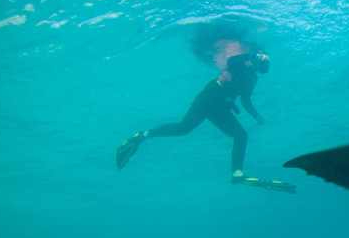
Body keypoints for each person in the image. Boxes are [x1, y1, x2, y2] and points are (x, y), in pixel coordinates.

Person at [115, 49, 293, 192]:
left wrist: (256, 116)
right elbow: (231, 61)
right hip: (208, 98)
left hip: (222, 108)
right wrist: (250, 55)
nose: (254, 67)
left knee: (241, 136)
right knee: (183, 129)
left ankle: (237, 173)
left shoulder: (252, 78)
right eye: (255, 63)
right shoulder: (237, 64)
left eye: (259, 65)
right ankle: (141, 136)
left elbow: (245, 100)